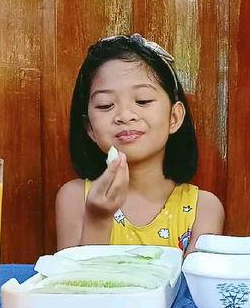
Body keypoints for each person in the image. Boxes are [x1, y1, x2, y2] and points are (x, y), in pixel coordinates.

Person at [56, 34, 224, 254]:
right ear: (90, 129)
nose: (125, 115)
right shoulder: (76, 198)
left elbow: (193, 289)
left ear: (174, 117)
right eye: (106, 105)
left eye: (142, 101)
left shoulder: (204, 208)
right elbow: (73, 284)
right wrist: (98, 220)